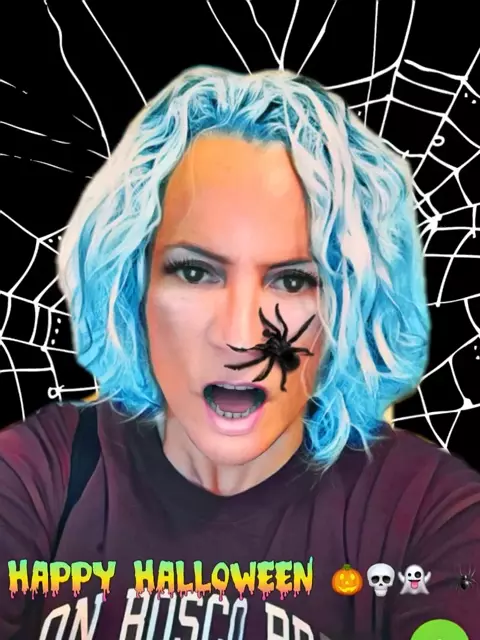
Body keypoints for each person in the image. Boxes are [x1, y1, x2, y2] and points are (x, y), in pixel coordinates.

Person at [0, 66, 479, 640]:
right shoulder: (41, 475)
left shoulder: (430, 514)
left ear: (348, 306)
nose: (242, 336)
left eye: (293, 281)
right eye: (195, 272)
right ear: (134, 286)